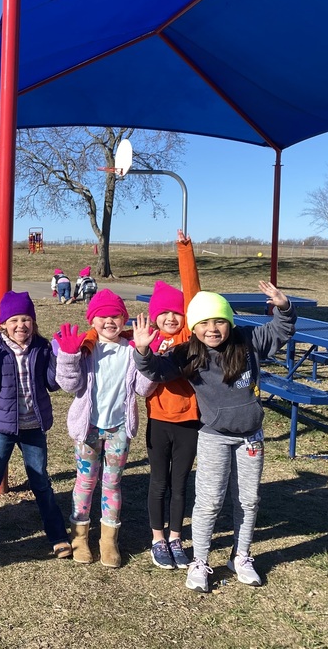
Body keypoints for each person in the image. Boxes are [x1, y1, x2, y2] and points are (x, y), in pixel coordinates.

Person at [131, 282, 296, 593]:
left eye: (219, 320)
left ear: (229, 322)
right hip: (213, 437)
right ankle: (200, 561)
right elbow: (155, 370)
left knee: (248, 500)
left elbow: (281, 330)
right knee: (208, 502)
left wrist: (284, 307)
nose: (212, 329)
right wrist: (142, 350)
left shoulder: (247, 339)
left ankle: (241, 556)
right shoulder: (187, 353)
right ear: (193, 327)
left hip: (251, 438)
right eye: (203, 323)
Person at [0, 290, 71, 557]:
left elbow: (52, 383)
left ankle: (57, 534)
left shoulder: (42, 348)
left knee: (40, 480)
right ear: (3, 325)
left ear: (33, 321)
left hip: (33, 426)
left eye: (26, 319)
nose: (20, 325)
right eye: (14, 320)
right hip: (3, 427)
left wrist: (58, 355)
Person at [54, 290, 155, 567]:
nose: (109, 321)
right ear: (92, 319)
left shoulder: (132, 349)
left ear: (124, 319)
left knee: (112, 483)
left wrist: (146, 353)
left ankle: (109, 540)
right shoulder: (86, 347)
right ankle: (79, 537)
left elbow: (144, 388)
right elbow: (70, 385)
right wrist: (68, 357)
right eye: (102, 316)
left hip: (118, 429)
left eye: (115, 316)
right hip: (88, 428)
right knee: (85, 482)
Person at [142, 229, 202, 570]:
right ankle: (157, 538)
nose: (170, 318)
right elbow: (105, 326)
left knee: (180, 483)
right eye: (163, 313)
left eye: (175, 313)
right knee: (158, 482)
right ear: (154, 317)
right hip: (159, 421)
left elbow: (192, 292)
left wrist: (184, 251)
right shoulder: (147, 340)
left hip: (190, 422)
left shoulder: (189, 336)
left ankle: (177, 536)